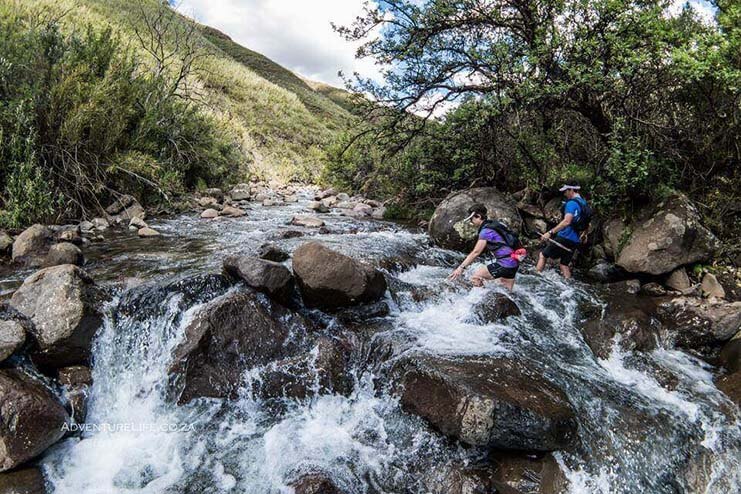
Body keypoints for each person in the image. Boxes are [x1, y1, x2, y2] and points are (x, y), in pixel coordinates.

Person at [448, 204, 525, 290]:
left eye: (471, 219)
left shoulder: (486, 231)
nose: (471, 222)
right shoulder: (495, 224)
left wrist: (460, 268)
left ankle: (483, 301)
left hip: (505, 263)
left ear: (478, 216)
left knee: (476, 277)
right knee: (507, 290)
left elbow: (476, 252)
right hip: (514, 262)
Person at [537, 181, 591, 279]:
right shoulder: (584, 203)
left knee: (543, 255)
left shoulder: (571, 203)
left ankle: (536, 278)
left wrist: (550, 232)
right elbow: (587, 222)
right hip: (575, 240)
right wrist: (584, 234)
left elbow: (567, 221)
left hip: (565, 237)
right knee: (564, 265)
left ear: (571, 190)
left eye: (566, 191)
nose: (564, 193)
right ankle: (568, 285)